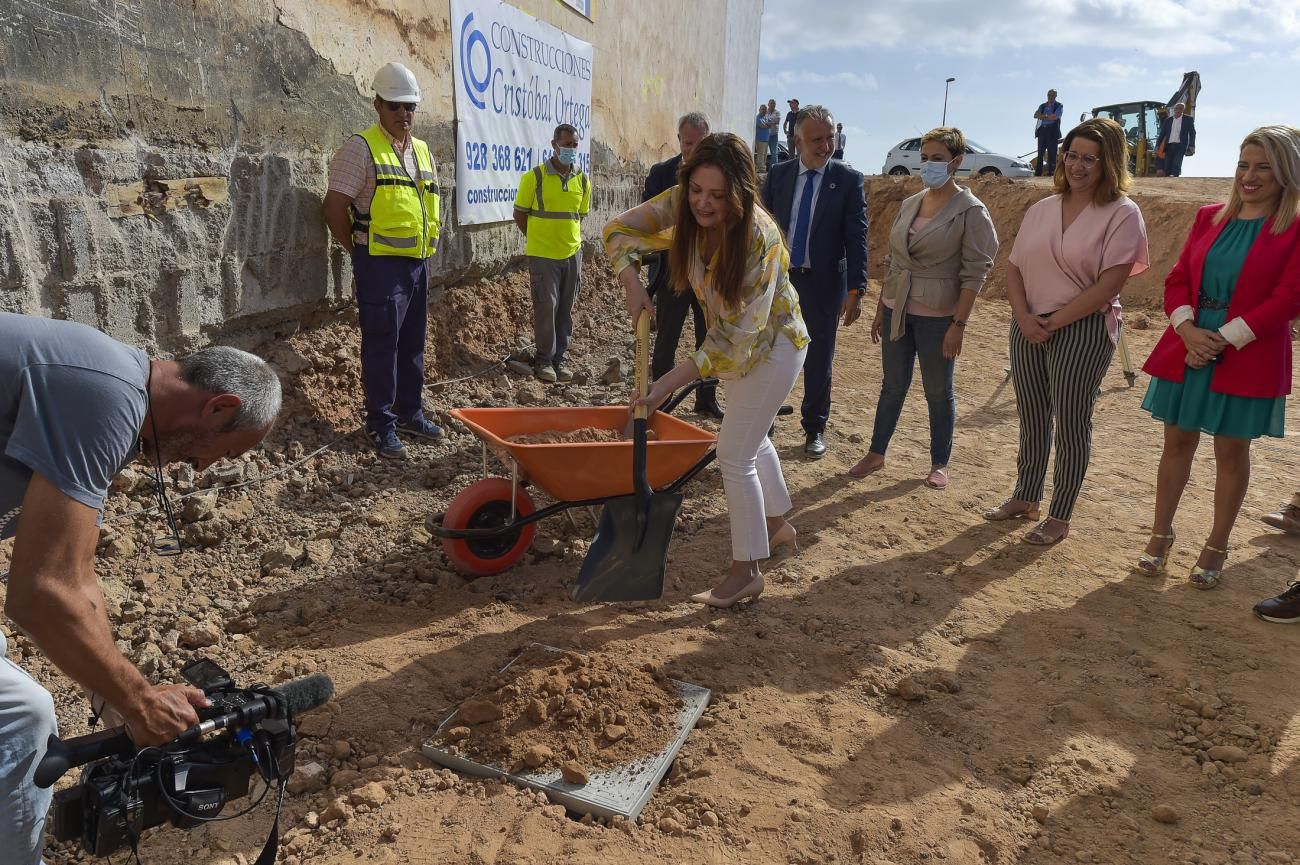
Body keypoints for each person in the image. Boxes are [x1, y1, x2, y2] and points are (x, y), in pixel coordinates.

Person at [0, 312, 282, 865]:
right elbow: (41, 591)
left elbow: (78, 574)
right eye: (223, 453)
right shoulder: (104, 395)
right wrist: (138, 702)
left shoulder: (112, 389)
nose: (201, 469)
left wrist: (112, 698)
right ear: (219, 407)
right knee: (19, 716)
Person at [603, 133, 811, 608]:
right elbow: (616, 230)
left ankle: (747, 571)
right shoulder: (681, 203)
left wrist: (663, 385)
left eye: (717, 195)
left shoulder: (761, 239)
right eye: (697, 190)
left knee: (734, 454)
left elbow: (735, 341)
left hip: (773, 345)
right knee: (753, 440)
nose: (702, 203)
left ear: (739, 193)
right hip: (735, 343)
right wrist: (632, 282)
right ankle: (777, 527)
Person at [1136, 126, 1300, 597]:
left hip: (1249, 350)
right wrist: (1188, 330)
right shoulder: (1209, 216)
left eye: (1263, 166)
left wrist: (1223, 339)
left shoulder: (1294, 227)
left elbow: (1290, 297)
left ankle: (1215, 546)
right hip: (1189, 346)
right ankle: (1160, 535)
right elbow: (1177, 279)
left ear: (1285, 172)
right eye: (1244, 164)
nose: (1250, 176)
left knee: (1231, 452)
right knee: (1177, 444)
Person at [984, 118, 1149, 544]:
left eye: (1089, 159)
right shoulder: (1041, 208)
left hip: (1083, 329)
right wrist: (1023, 317)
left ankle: (1060, 514)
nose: (1077, 166)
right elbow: (1016, 266)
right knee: (1033, 415)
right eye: (1072, 155)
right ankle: (1025, 496)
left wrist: (1053, 322)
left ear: (1109, 162)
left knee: (1073, 421)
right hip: (1028, 323)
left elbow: (1109, 286)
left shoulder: (1122, 213)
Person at [849, 127, 998, 489]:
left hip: (938, 316)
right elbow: (895, 260)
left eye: (937, 159)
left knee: (938, 390)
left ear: (957, 162)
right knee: (892, 384)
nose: (928, 165)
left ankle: (939, 463)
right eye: (925, 158)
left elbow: (974, 274)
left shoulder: (971, 212)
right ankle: (876, 452)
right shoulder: (911, 203)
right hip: (897, 307)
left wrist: (957, 325)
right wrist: (880, 310)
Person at [323, 61, 443, 460]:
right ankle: (381, 423)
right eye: (395, 106)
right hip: (380, 266)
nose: (404, 114)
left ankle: (410, 413)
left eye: (410, 106)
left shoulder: (422, 151)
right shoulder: (360, 148)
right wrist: (357, 252)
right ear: (377, 105)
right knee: (382, 345)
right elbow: (334, 205)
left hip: (417, 263)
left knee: (411, 344)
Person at [760, 105, 869, 458]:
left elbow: (857, 237)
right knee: (769, 352)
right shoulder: (778, 175)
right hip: (778, 283)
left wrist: (856, 289)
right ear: (798, 141)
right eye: (817, 140)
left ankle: (814, 427)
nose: (825, 146)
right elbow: (761, 229)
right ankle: (765, 423)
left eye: (830, 138)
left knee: (819, 358)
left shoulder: (849, 180)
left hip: (823, 285)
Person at [644, 112, 723, 419]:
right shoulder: (661, 174)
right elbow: (647, 225)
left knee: (709, 338)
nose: (694, 149)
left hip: (710, 274)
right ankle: (662, 402)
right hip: (674, 273)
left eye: (701, 143)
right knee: (666, 340)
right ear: (679, 140)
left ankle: (706, 399)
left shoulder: (719, 176)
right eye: (689, 143)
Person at [513, 123, 592, 384]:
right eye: (565, 144)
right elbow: (519, 214)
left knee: (566, 308)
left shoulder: (582, 180)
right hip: (543, 255)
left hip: (572, 253)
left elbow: (579, 216)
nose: (570, 149)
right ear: (553, 145)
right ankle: (544, 360)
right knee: (546, 306)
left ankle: (560, 359)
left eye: (574, 145)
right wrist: (538, 239)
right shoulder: (534, 177)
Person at [1156, 102, 1197, 178]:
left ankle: (1175, 178)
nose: (1178, 110)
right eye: (1176, 108)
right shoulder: (1168, 120)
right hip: (1168, 145)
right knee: (1167, 163)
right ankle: (1167, 179)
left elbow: (1192, 133)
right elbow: (1162, 134)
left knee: (1177, 162)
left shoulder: (1188, 119)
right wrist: (1157, 145)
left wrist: (1191, 145)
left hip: (1180, 145)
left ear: (1183, 110)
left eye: (1180, 108)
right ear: (1174, 110)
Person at [1034, 89, 1064, 177]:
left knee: (1052, 153)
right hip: (1042, 131)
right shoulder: (1042, 106)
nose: (1050, 97)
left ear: (1055, 96)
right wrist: (1047, 116)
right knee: (1040, 152)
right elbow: (1035, 115)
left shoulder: (1059, 105)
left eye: (1052, 95)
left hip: (1052, 131)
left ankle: (1051, 173)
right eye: (1049, 95)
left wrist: (1043, 116)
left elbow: (1055, 117)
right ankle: (1038, 173)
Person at [765, 99, 782, 170]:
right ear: (768, 104)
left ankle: (775, 169)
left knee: (774, 153)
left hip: (774, 135)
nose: (772, 104)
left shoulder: (777, 112)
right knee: (763, 153)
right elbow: (762, 121)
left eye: (774, 103)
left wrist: (768, 122)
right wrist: (771, 122)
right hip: (765, 135)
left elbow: (777, 121)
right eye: (771, 103)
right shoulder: (765, 112)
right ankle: (762, 168)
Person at [754, 103, 770, 169]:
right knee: (760, 154)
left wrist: (768, 125)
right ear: (759, 110)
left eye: (765, 109)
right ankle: (760, 168)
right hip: (759, 139)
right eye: (762, 109)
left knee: (765, 154)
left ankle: (762, 167)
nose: (764, 111)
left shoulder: (766, 118)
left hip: (766, 139)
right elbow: (762, 126)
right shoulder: (757, 118)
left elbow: (771, 124)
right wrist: (767, 125)